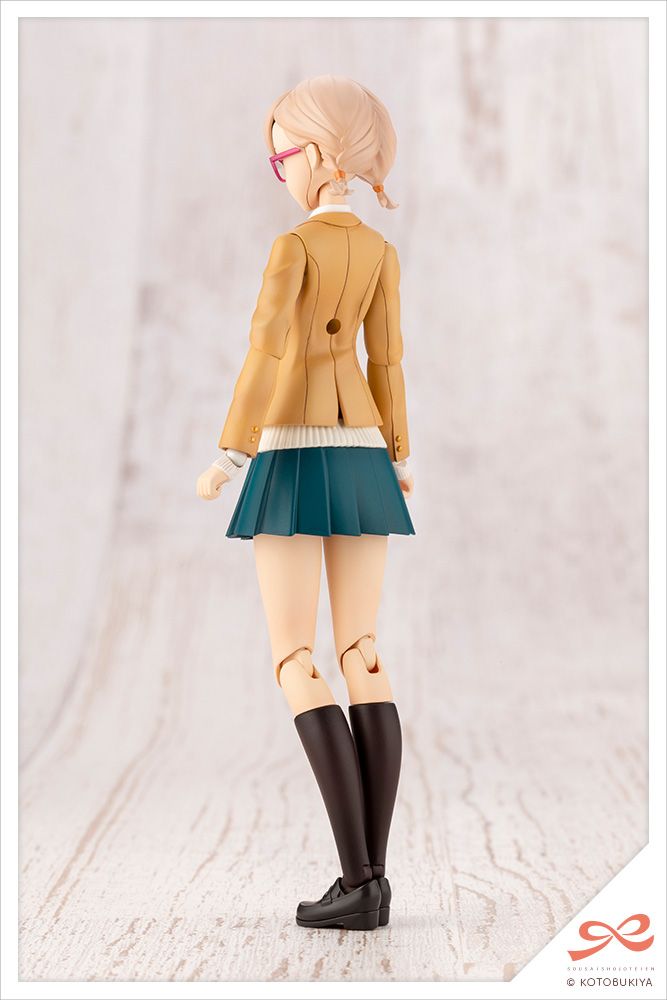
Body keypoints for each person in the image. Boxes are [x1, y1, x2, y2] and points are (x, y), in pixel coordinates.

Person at [196, 75, 415, 931]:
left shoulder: (293, 248)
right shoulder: (378, 252)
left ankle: (356, 879)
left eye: (280, 155)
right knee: (362, 648)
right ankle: (373, 880)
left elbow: (265, 357)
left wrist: (229, 451)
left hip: (289, 448)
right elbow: (386, 362)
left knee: (296, 658)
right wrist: (398, 453)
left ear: (318, 154)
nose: (279, 170)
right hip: (363, 453)